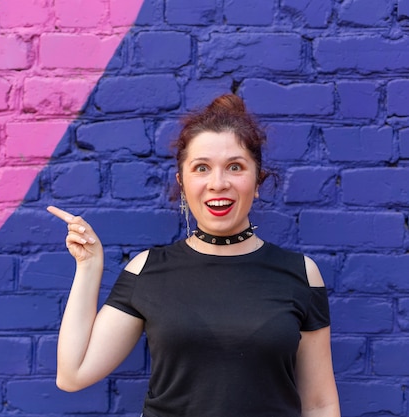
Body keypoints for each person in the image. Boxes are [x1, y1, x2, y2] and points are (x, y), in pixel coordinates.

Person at [47, 94, 340, 417]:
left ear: (257, 181)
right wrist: (89, 267)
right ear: (182, 183)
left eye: (235, 167)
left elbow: (319, 403)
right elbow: (73, 375)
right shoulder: (147, 270)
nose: (218, 183)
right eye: (201, 168)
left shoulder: (300, 273)